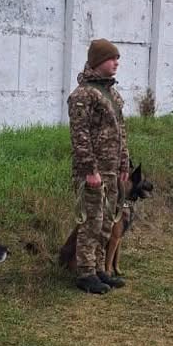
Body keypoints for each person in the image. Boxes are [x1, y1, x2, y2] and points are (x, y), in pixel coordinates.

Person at [68, 39, 130, 294]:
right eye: (111, 58)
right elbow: (79, 136)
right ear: (97, 62)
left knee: (106, 222)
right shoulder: (82, 95)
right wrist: (89, 170)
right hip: (94, 172)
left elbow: (121, 132)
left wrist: (124, 162)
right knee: (91, 221)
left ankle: (99, 269)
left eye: (117, 59)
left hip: (112, 170)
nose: (116, 63)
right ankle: (85, 272)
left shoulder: (111, 93)